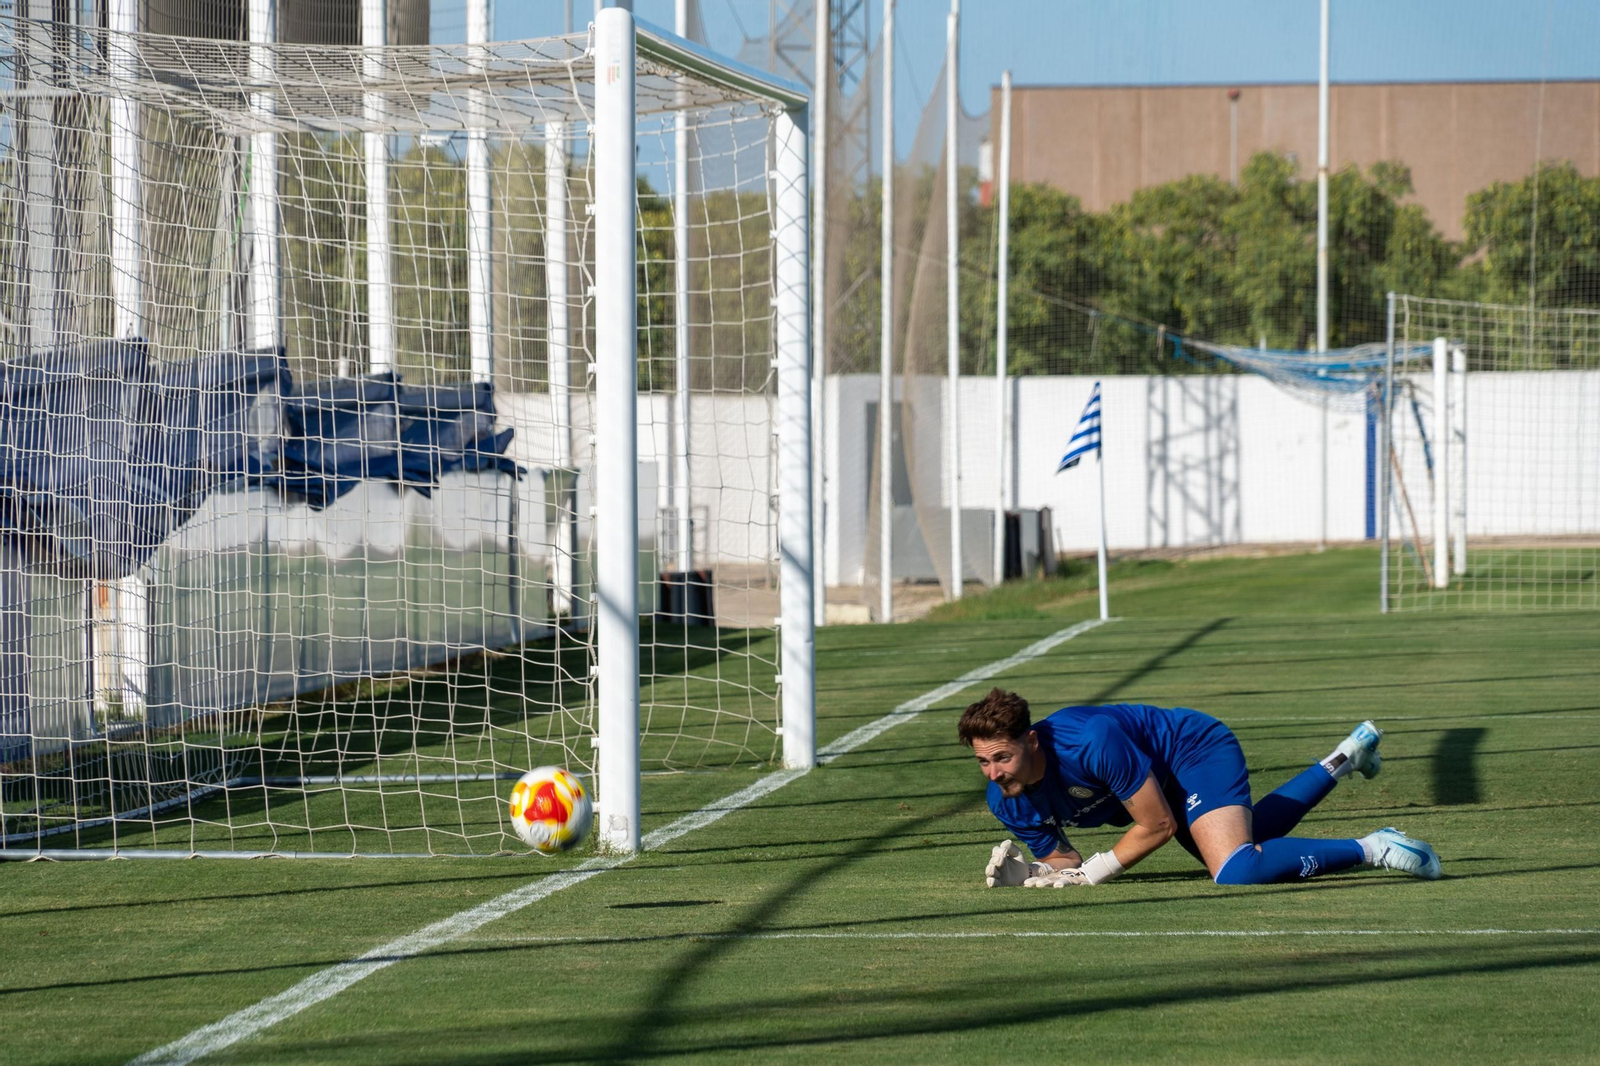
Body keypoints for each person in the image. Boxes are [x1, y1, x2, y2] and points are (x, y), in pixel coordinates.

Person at [958, 688, 1441, 888]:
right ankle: (1343, 759)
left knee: (1234, 868)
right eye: (983, 761)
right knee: (1253, 843)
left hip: (1192, 750)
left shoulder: (1090, 742)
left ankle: (1376, 846)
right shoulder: (1006, 797)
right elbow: (1065, 860)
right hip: (1162, 781)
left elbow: (1159, 823)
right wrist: (1035, 871)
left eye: (1003, 757)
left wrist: (1094, 873)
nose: (994, 772)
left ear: (1033, 741)